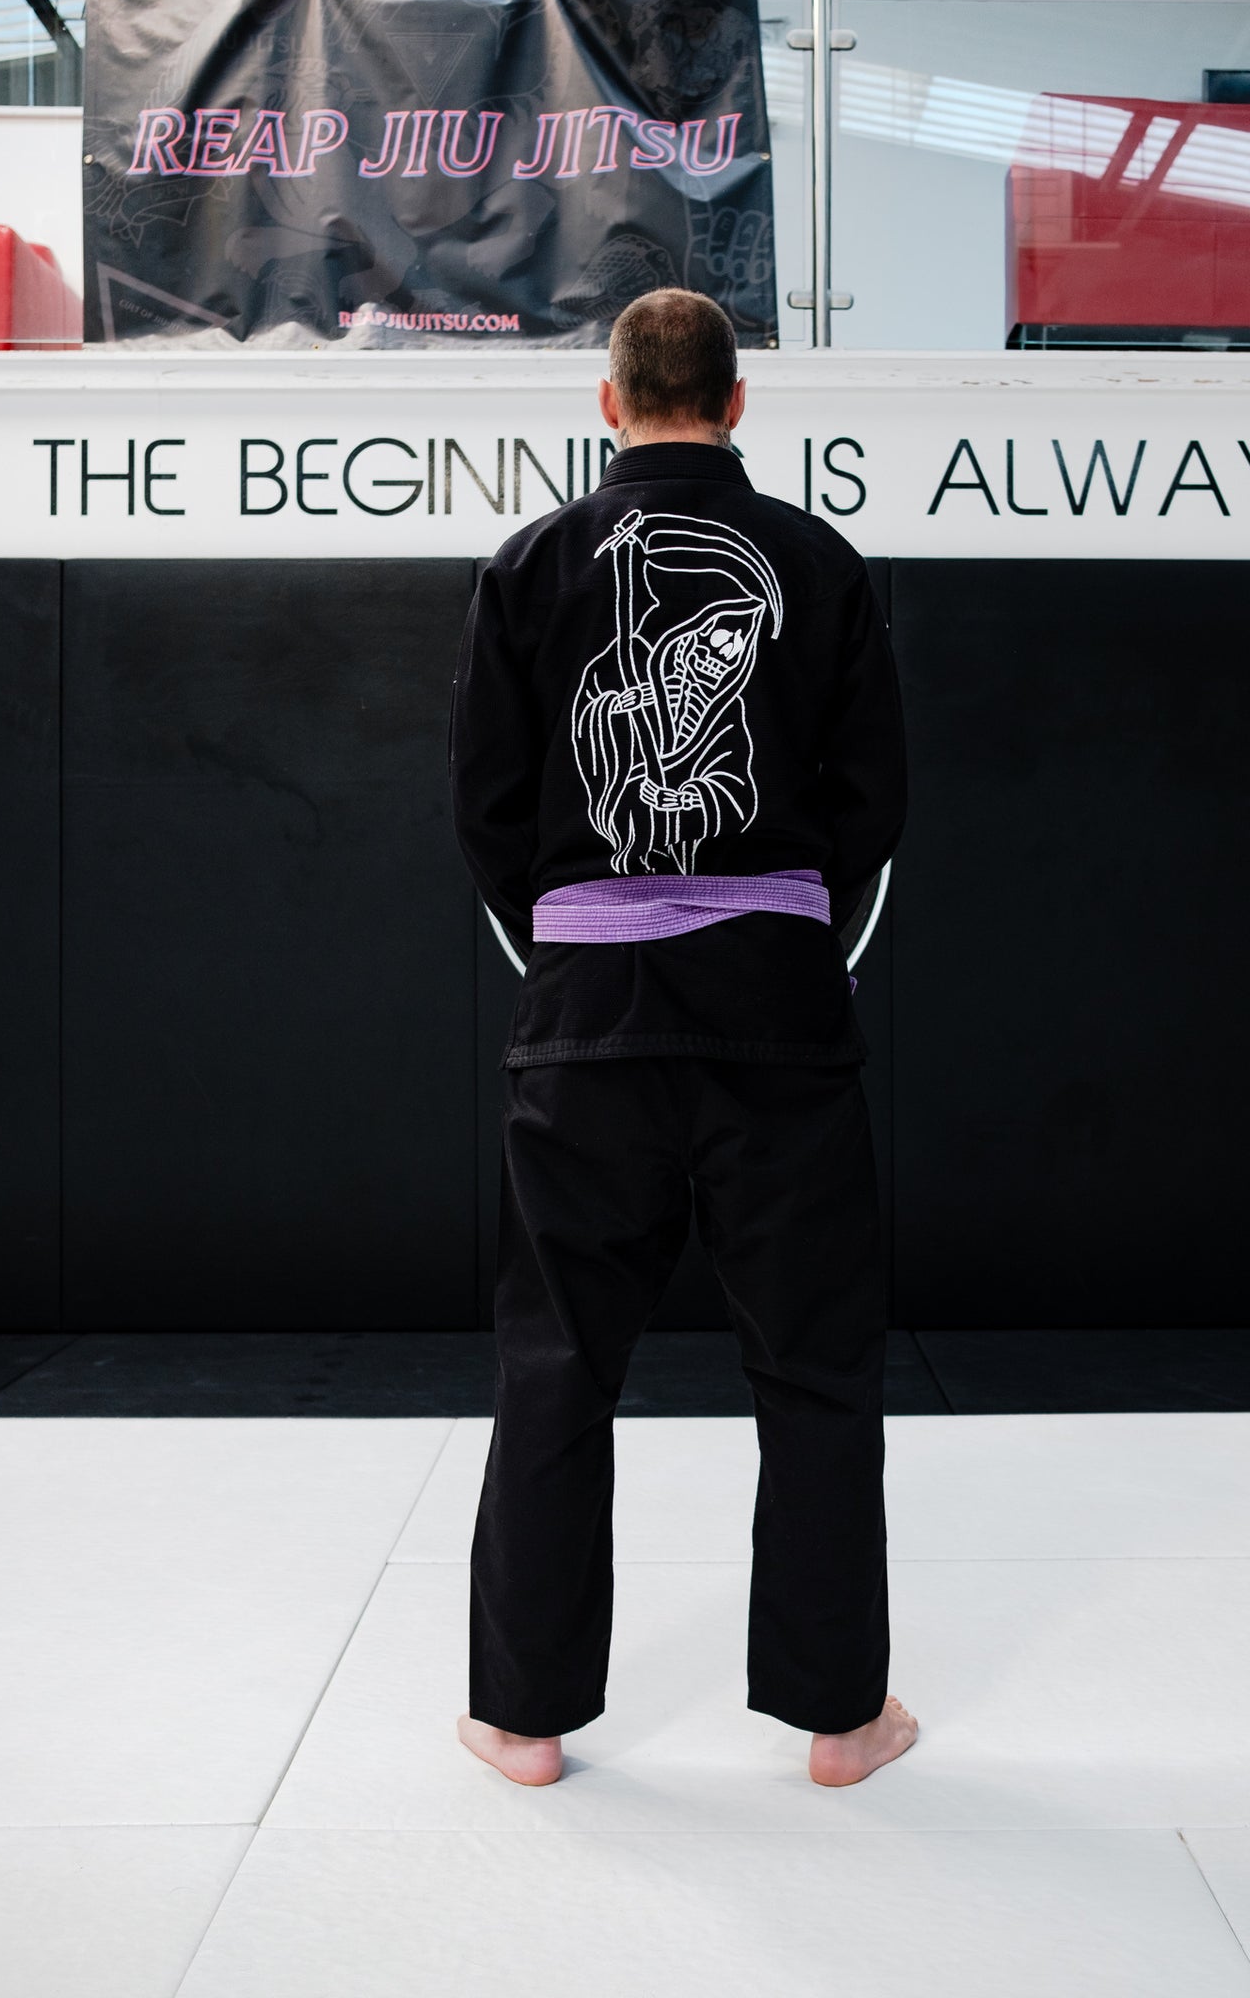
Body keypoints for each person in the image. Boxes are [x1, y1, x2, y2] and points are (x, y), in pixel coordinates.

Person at [448, 287, 913, 1790]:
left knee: (555, 1366)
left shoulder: (527, 565)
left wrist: (579, 940)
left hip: (586, 1015)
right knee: (818, 1366)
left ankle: (521, 1720)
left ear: (608, 404)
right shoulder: (820, 560)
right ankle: (843, 1722)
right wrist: (782, 935)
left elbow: (488, 810)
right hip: (777, 1009)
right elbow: (872, 807)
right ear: (731, 404)